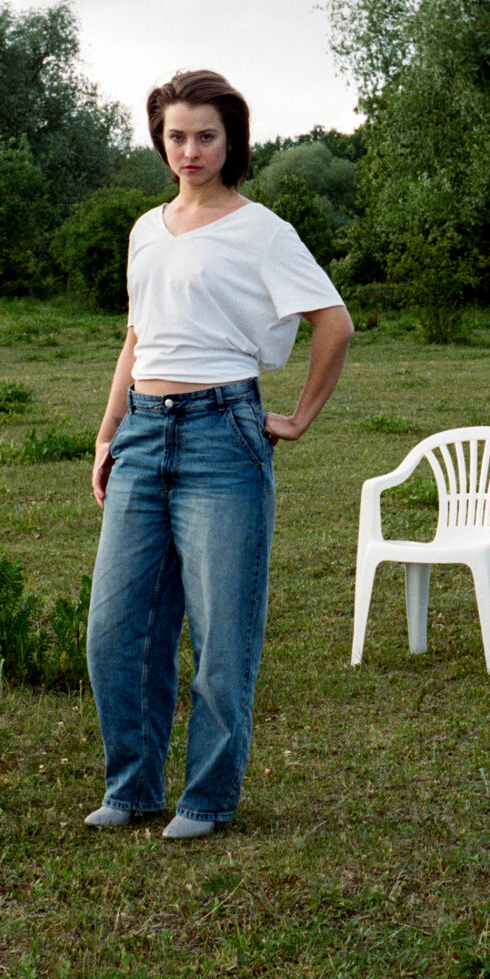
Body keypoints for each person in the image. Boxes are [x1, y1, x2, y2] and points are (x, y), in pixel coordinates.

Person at [84, 68, 353, 840]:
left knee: (221, 633)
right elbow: (138, 336)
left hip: (221, 434)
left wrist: (300, 417)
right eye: (176, 136)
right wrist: (107, 431)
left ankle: (205, 799)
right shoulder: (146, 228)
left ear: (231, 141)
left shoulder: (262, 231)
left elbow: (334, 323)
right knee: (115, 629)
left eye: (206, 135)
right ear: (160, 141)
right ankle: (133, 787)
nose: (190, 150)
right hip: (141, 434)